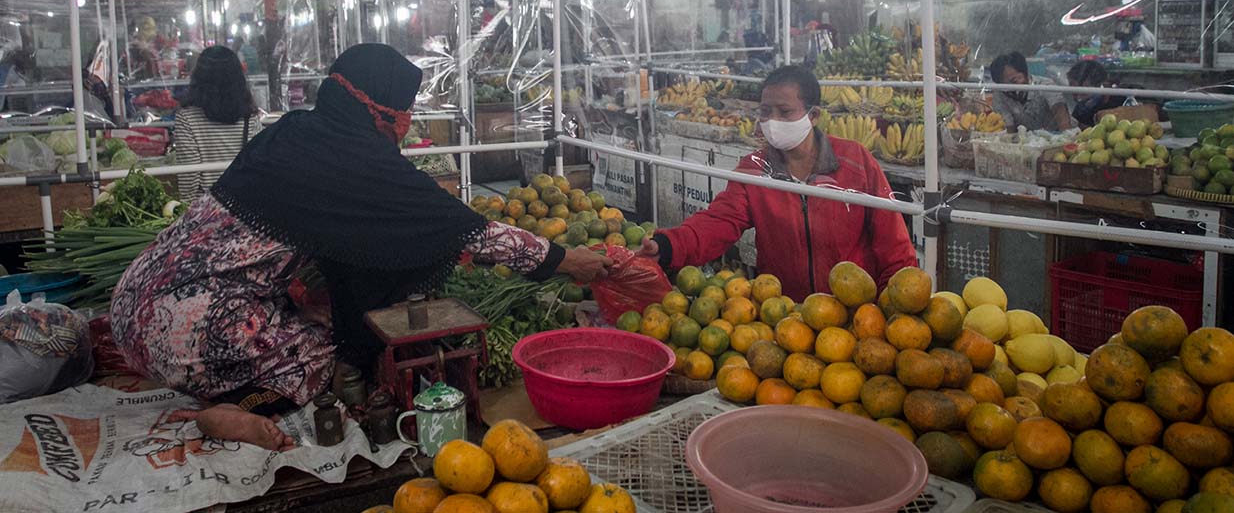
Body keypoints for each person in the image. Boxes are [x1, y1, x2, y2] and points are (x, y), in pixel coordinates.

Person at [111, 44, 611, 450]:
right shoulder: (356, 161)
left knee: (317, 320)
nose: (405, 123)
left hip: (133, 302)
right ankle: (236, 410)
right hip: (183, 331)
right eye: (403, 112)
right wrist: (565, 260)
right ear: (374, 107)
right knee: (325, 357)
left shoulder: (291, 132)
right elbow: (467, 229)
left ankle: (228, 372)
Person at [640, 65, 917, 300]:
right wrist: (667, 246)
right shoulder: (755, 169)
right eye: (765, 112)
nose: (772, 121)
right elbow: (718, 223)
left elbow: (893, 243)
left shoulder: (855, 161)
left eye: (784, 112)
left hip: (855, 310)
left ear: (814, 115)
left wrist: (891, 304)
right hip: (784, 315)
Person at [174, 46, 263, 202]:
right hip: (242, 206)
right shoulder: (250, 117)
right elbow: (257, 169)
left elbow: (189, 180)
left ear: (198, 78)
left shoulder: (187, 118)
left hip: (207, 211)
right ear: (238, 78)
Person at [990, 52, 1072, 131]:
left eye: (1014, 81)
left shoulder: (1045, 85)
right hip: (1027, 139)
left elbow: (1062, 118)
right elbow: (1008, 127)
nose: (1010, 89)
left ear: (1026, 73)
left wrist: (1066, 140)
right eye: (1005, 86)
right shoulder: (1000, 92)